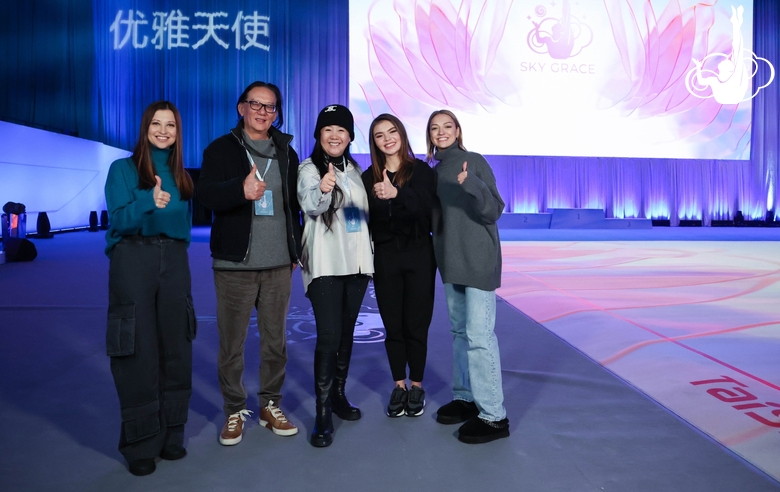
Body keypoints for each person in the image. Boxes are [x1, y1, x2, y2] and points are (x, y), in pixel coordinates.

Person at [196, 81, 302, 446]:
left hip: (277, 266)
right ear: (241, 108)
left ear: (277, 113)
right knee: (232, 345)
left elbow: (294, 208)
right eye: (255, 104)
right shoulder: (220, 149)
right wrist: (238, 192)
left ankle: (271, 405)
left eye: (270, 107)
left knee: (276, 342)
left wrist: (294, 250)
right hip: (234, 267)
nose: (262, 112)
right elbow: (205, 194)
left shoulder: (286, 151)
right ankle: (234, 409)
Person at [104, 100, 195, 476]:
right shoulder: (122, 169)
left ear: (177, 132)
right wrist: (147, 200)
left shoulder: (182, 176)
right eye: (156, 124)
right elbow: (118, 220)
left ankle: (171, 434)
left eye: (170, 125)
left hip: (173, 259)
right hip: (133, 258)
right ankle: (141, 443)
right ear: (144, 128)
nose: (163, 131)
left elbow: (183, 226)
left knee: (177, 346)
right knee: (136, 348)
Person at [425, 109, 510, 444]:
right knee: (460, 332)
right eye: (435, 128)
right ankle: (466, 397)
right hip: (450, 260)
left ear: (458, 130)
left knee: (479, 336)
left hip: (477, 261)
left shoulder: (473, 161)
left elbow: (494, 210)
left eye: (447, 126)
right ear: (429, 136)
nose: (441, 132)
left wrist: (472, 184)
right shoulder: (433, 171)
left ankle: (493, 416)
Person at [297, 104, 374, 447]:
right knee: (329, 336)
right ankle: (323, 412)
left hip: (356, 266)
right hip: (327, 264)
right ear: (318, 135)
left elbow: (361, 217)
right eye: (327, 130)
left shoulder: (357, 171)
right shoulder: (308, 169)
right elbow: (311, 206)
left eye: (341, 130)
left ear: (349, 136)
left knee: (345, 336)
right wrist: (325, 187)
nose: (334, 136)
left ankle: (339, 395)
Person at [361, 114, 436, 418]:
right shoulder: (368, 177)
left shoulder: (421, 172)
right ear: (374, 142)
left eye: (392, 131)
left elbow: (429, 211)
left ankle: (417, 385)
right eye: (380, 135)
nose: (387, 138)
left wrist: (397, 194)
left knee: (416, 324)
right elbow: (363, 221)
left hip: (419, 254)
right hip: (386, 258)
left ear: (402, 135)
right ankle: (399, 384)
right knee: (393, 325)